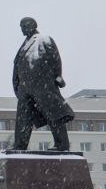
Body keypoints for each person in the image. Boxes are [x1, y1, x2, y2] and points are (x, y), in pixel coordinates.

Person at [12, 16, 75, 151]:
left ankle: (62, 145)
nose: (22, 29)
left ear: (32, 25)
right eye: (21, 26)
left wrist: (57, 77)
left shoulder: (43, 39)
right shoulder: (24, 44)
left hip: (42, 86)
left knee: (54, 115)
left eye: (24, 25)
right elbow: (17, 66)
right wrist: (17, 86)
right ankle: (19, 146)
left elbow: (55, 58)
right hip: (25, 89)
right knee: (23, 119)